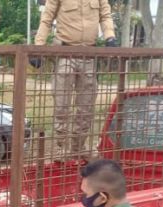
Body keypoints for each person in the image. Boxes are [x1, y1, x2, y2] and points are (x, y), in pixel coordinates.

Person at [32, 0, 118, 160]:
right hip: (65, 52)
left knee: (86, 106)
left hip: (89, 54)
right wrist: (38, 46)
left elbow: (105, 15)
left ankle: (79, 147)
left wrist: (110, 37)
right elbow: (47, 18)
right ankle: (60, 147)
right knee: (61, 105)